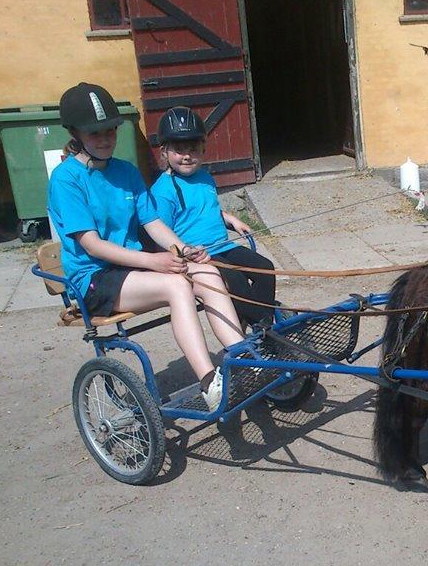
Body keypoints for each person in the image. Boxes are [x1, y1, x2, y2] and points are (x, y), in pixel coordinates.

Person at [47, 82, 248, 411]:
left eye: (110, 130)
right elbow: (92, 245)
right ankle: (209, 382)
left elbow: (153, 224)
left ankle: (243, 358)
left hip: (134, 270)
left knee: (207, 272)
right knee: (176, 285)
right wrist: (154, 262)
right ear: (75, 133)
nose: (105, 138)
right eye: (95, 133)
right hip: (96, 278)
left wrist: (181, 250)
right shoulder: (66, 179)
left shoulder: (125, 171)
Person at [150, 106, 277, 330]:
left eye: (194, 149)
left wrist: (230, 219)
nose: (187, 156)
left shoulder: (205, 177)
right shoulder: (163, 191)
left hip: (222, 245)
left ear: (203, 149)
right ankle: (266, 328)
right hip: (199, 256)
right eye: (179, 150)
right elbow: (160, 233)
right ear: (164, 152)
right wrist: (186, 251)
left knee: (265, 268)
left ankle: (257, 326)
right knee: (235, 281)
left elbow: (205, 207)